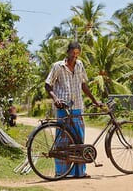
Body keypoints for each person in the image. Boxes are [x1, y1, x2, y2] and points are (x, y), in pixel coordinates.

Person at [45, 42, 101, 178]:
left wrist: (95, 101)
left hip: (77, 107)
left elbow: (84, 85)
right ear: (68, 52)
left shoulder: (80, 65)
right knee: (63, 141)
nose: (75, 56)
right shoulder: (58, 66)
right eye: (73, 53)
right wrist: (55, 99)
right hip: (63, 107)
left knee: (79, 140)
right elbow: (47, 85)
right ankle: (61, 172)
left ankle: (80, 172)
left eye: (77, 53)